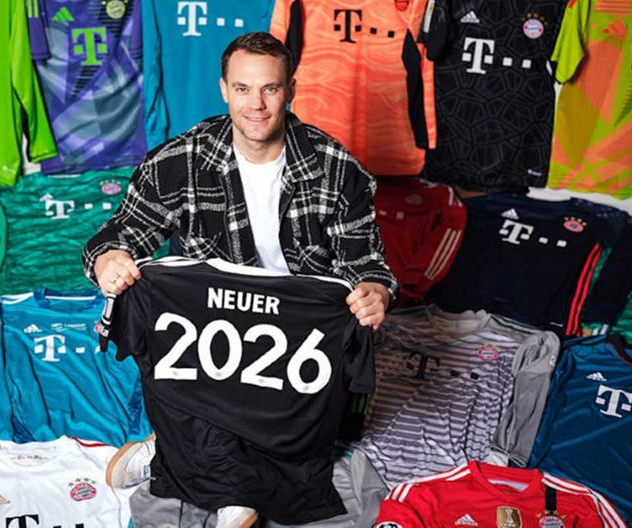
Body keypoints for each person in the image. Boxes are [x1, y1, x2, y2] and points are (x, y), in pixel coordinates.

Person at [82, 32, 397, 527]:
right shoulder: (181, 159)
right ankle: (232, 486)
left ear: (291, 90)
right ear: (224, 90)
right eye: (244, 89)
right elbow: (119, 234)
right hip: (211, 329)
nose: (257, 104)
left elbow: (367, 265)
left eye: (270, 89)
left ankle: (171, 452)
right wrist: (108, 259)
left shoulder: (337, 169)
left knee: (297, 423)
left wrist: (375, 292)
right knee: (150, 299)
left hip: (294, 337)